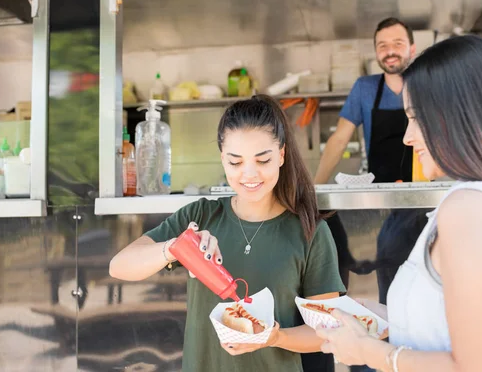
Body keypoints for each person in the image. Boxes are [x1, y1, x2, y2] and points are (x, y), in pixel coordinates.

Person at [316, 35, 482, 372]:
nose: (407, 136)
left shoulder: (470, 210)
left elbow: (480, 367)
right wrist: (386, 317)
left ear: (460, 115)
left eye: (416, 118)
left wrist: (367, 352)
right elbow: (465, 327)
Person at [109, 95, 346, 372]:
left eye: (262, 160)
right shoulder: (199, 217)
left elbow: (327, 331)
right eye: (236, 162)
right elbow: (119, 266)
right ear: (222, 158)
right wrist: (176, 246)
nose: (249, 174)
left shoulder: (310, 232)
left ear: (281, 155)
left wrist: (276, 337)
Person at [315, 17, 427, 305]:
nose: (390, 51)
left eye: (398, 44)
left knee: (427, 283)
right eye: (383, 45)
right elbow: (340, 139)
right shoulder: (365, 88)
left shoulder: (429, 84)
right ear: (376, 52)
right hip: (384, 206)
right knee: (390, 290)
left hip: (425, 198)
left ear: (412, 48)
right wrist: (315, 189)